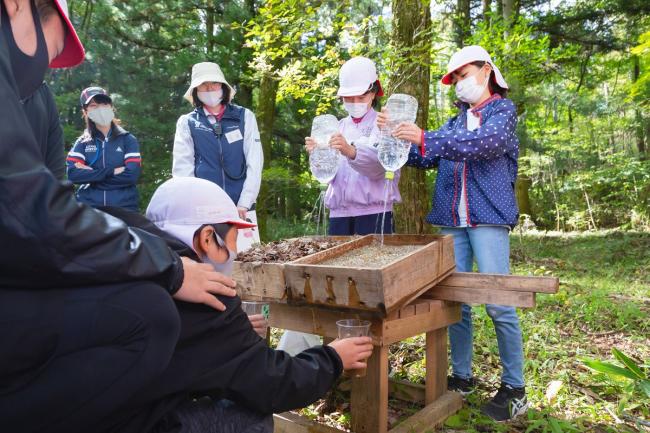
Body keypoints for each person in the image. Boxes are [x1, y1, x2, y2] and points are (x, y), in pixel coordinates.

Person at [0, 2, 273, 432]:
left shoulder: (39, 102)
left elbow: (57, 200)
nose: (47, 70)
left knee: (144, 310)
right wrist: (167, 267)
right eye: (52, 52)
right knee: (147, 319)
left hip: (22, 271)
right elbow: (42, 214)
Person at [128, 176, 373, 432]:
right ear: (207, 238)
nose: (237, 251)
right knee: (251, 418)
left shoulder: (121, 260)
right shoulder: (206, 298)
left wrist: (231, 340)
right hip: (137, 421)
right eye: (234, 238)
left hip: (102, 410)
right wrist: (334, 358)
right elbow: (272, 385)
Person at [378, 45, 527, 421]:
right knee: (455, 303)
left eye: (464, 74)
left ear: (487, 70)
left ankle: (515, 388)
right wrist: (395, 137)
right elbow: (425, 156)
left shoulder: (502, 113)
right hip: (451, 220)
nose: (460, 83)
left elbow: (484, 146)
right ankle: (461, 377)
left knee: (498, 301)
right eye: (455, 78)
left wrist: (425, 137)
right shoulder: (455, 122)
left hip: (488, 218)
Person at [279, 57, 401, 355]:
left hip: (374, 213)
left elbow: (383, 167)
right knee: (334, 285)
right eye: (348, 97)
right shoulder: (337, 125)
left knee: (370, 288)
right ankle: (335, 353)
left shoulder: (385, 124)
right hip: (340, 214)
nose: (354, 102)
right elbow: (328, 175)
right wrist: (318, 155)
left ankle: (371, 351)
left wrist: (350, 150)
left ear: (374, 92)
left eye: (360, 96)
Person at [172, 61, 263, 251]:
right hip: (204, 210)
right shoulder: (187, 122)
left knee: (248, 263)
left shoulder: (245, 116)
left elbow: (255, 162)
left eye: (214, 83)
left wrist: (245, 203)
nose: (210, 88)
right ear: (196, 90)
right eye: (203, 85)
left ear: (223, 86)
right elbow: (182, 170)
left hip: (241, 208)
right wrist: (195, 206)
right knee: (211, 266)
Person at [66, 86, 142, 211]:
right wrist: (111, 172)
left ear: (111, 107)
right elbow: (73, 174)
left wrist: (92, 176)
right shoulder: (82, 142)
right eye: (94, 105)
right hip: (90, 211)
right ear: (85, 111)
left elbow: (131, 175)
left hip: (125, 209)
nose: (100, 109)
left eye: (104, 104)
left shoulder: (128, 139)